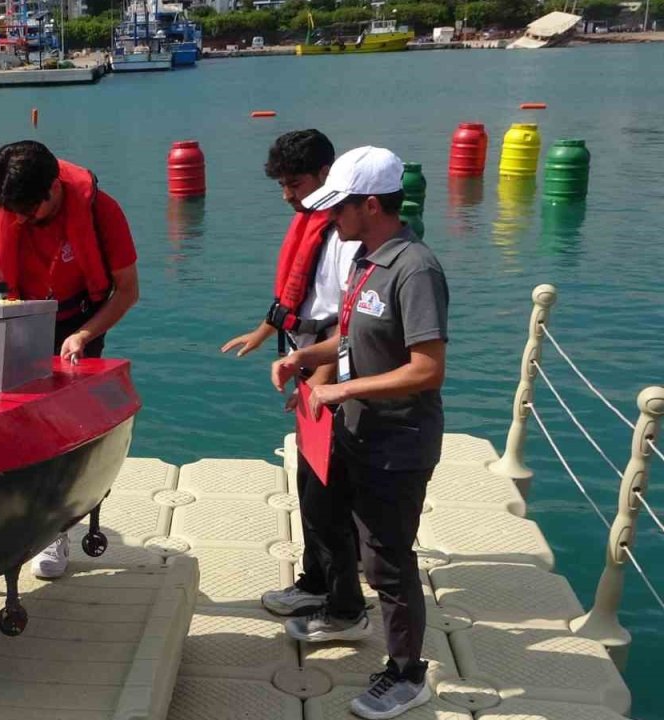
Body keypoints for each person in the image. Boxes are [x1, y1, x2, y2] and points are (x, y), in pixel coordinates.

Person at [271, 146, 449, 720]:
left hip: (397, 441)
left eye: (339, 209)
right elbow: (351, 341)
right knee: (332, 523)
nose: (330, 219)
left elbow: (427, 367)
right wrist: (303, 359)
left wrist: (341, 391)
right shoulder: (362, 260)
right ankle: (344, 610)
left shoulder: (415, 269)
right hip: (354, 432)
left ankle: (407, 674)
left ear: (371, 205)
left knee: (389, 561)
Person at [0, 140, 140, 579]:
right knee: (12, 430)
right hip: (19, 321)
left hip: (80, 325)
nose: (19, 221)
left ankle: (55, 531)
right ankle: (13, 518)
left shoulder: (101, 211)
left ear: (53, 189)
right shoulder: (3, 210)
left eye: (28, 212)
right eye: (11, 213)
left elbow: (127, 291)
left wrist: (86, 334)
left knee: (64, 434)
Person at [220, 129, 361, 619]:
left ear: (325, 174)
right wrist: (263, 333)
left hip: (333, 379)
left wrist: (319, 386)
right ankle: (316, 581)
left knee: (326, 497)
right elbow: (298, 298)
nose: (287, 196)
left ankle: (342, 606)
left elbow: (348, 325)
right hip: (310, 372)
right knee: (310, 486)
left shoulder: (344, 236)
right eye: (281, 185)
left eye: (294, 184)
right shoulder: (312, 221)